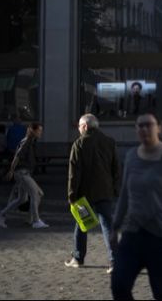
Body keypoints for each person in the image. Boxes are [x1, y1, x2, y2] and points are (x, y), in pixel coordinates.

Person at [111, 113, 162, 301]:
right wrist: (115, 226)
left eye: (149, 125)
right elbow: (124, 194)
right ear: (136, 129)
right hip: (132, 233)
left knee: (161, 292)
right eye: (140, 126)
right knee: (119, 285)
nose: (145, 129)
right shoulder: (131, 156)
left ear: (158, 128)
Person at [65, 114, 121, 273]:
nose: (78, 130)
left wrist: (71, 195)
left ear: (84, 127)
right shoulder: (109, 142)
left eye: (79, 127)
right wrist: (116, 188)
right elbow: (117, 167)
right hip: (105, 191)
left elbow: (73, 173)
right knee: (108, 226)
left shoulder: (79, 143)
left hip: (84, 193)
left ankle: (78, 257)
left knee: (82, 225)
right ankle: (115, 261)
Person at [0, 122, 49, 229]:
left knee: (22, 199)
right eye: (39, 130)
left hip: (25, 173)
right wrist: (11, 171)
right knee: (36, 194)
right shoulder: (27, 141)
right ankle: (35, 221)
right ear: (33, 131)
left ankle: (1, 215)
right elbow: (17, 157)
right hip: (22, 173)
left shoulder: (30, 142)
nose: (41, 133)